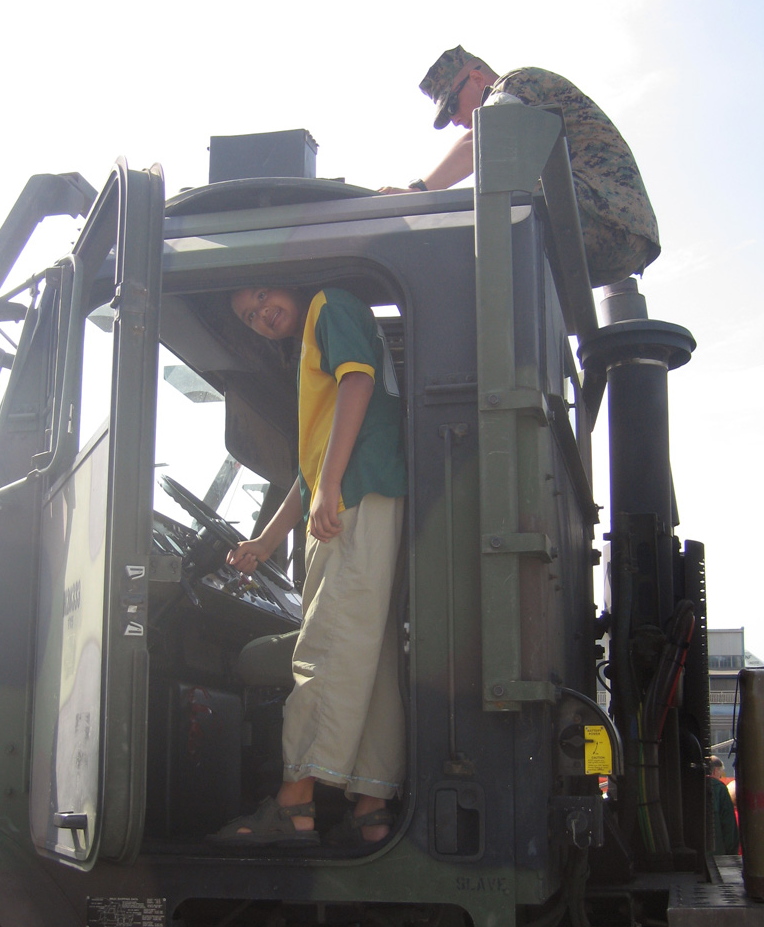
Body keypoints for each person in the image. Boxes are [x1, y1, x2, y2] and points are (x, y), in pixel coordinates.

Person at [211, 285, 407, 846]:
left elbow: (358, 381)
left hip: (357, 495)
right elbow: (311, 472)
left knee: (328, 646)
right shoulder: (317, 333)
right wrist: (267, 542)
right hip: (359, 494)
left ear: (289, 286)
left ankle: (294, 805)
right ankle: (372, 808)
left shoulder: (330, 305)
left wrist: (333, 486)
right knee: (368, 656)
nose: (260, 314)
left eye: (262, 297)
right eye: (249, 315)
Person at [380, 46, 660, 289]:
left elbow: (475, 144)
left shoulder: (516, 82)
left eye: (452, 105)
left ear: (476, 78)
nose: (454, 119)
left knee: (482, 221)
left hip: (604, 214)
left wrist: (416, 193)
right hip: (618, 235)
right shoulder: (515, 117)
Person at [707, 756, 740, 855]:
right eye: (720, 774)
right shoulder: (719, 789)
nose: (721, 778)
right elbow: (729, 826)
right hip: (717, 854)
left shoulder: (688, 785)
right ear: (715, 771)